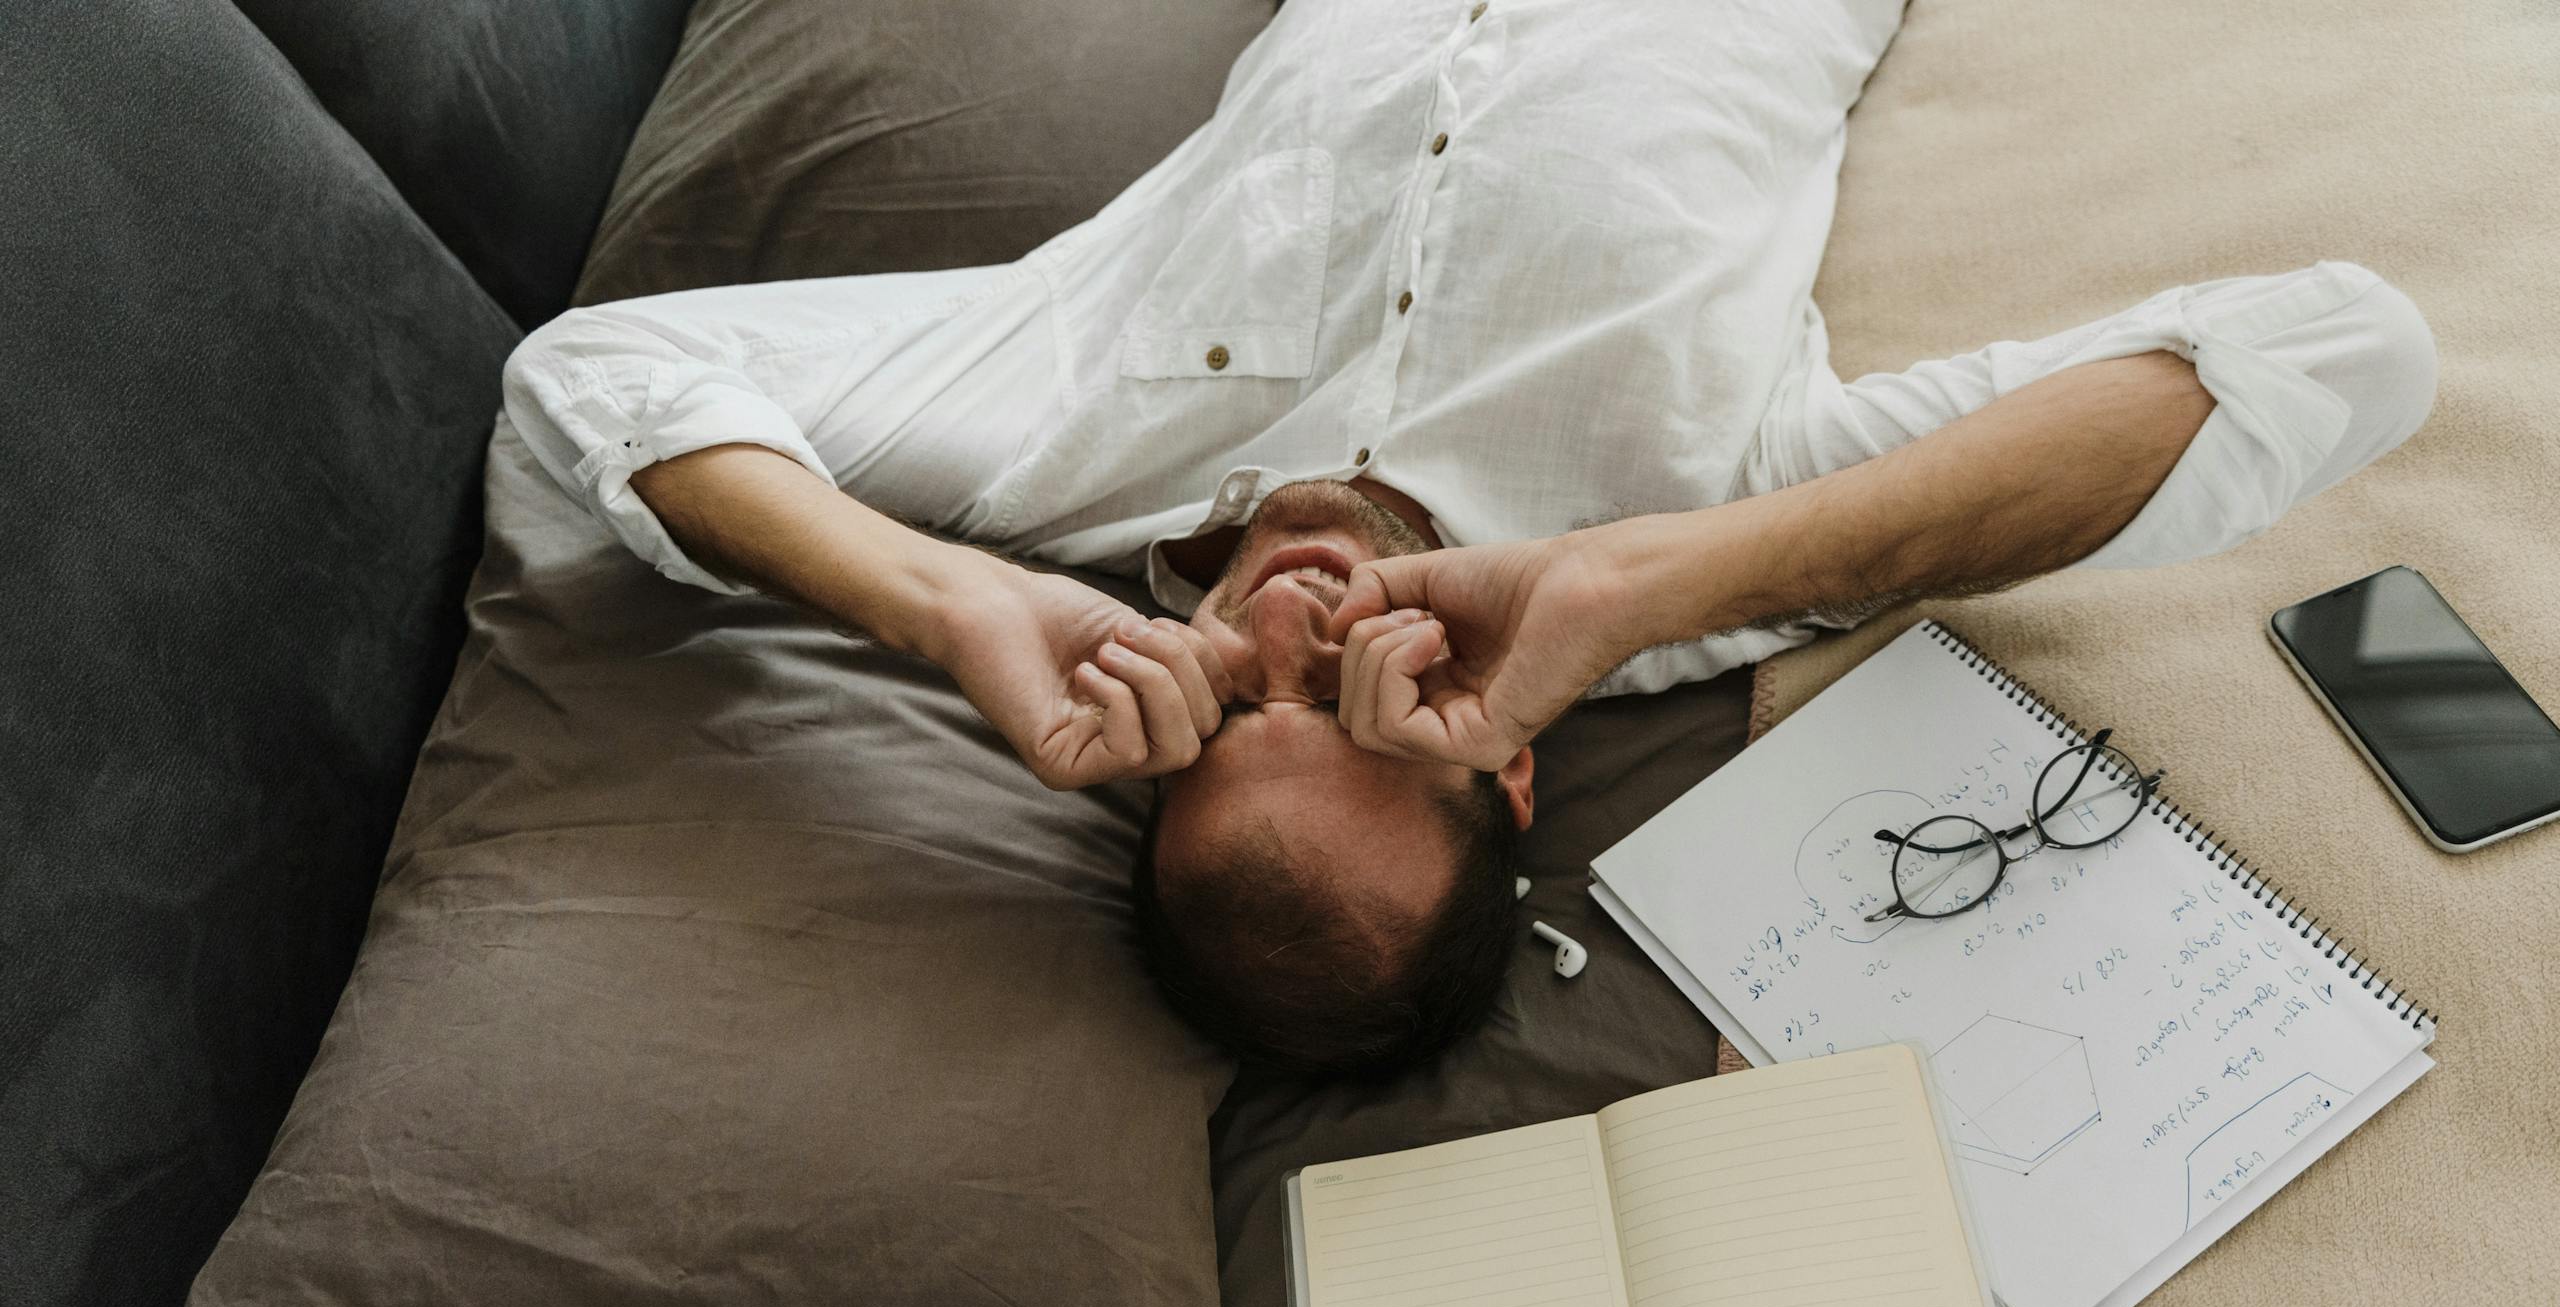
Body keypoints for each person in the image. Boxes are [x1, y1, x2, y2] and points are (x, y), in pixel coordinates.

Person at [502, 0, 2437, 1076]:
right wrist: (1657, 571)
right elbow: (2336, 352)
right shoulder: (1698, 557)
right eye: (1355, 709)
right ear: (1507, 770)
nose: (1294, 631)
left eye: (1234, 707)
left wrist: (957, 608)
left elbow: (592, 385)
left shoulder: (1054, 459)